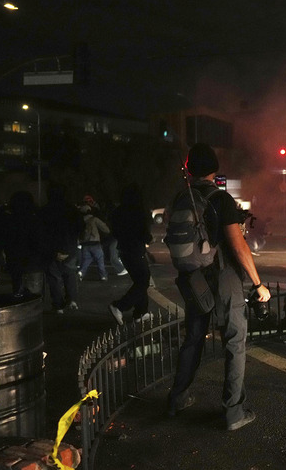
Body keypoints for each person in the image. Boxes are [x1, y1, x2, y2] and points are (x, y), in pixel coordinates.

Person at [167, 143, 270, 432]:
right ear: (215, 168)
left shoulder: (181, 198)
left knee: (194, 338)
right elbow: (239, 247)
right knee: (234, 342)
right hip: (223, 276)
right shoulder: (220, 199)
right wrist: (258, 284)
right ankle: (233, 412)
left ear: (189, 169)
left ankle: (178, 398)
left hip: (193, 278)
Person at [108, 184, 154, 325]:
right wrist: (150, 239)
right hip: (136, 250)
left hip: (124, 250)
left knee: (139, 281)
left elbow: (114, 232)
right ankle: (119, 306)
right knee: (143, 281)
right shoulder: (138, 212)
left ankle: (141, 312)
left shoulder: (117, 212)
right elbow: (144, 233)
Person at [0, 190, 45, 297]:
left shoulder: (7, 221)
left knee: (18, 296)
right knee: (35, 299)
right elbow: (41, 243)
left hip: (15, 262)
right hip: (34, 264)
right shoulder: (35, 221)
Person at [41, 184, 83, 313]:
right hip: (69, 248)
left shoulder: (45, 210)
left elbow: (42, 232)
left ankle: (58, 305)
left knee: (54, 278)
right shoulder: (72, 210)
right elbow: (80, 227)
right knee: (70, 274)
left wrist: (53, 251)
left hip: (51, 250)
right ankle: (72, 300)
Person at [84, 194, 127, 277]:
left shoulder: (96, 214)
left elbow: (104, 227)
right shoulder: (101, 212)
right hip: (110, 236)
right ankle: (108, 272)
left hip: (111, 236)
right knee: (105, 253)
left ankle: (120, 268)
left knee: (110, 255)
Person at [78, 204, 110, 281]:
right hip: (95, 243)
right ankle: (103, 276)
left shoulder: (80, 221)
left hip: (85, 244)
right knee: (100, 259)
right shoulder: (94, 219)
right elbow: (106, 229)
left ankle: (81, 272)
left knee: (86, 259)